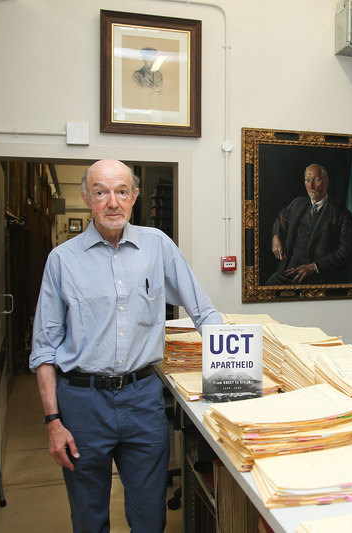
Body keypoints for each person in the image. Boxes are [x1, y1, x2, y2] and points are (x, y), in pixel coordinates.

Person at [29, 159, 221, 531]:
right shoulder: (62, 261)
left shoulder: (157, 247)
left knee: (150, 518)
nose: (112, 202)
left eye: (121, 192)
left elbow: (204, 313)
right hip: (81, 404)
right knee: (89, 518)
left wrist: (238, 382)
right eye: (101, 192)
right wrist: (53, 421)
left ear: (133, 196)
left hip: (142, 399)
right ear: (87, 197)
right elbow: (44, 349)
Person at [266, 163, 352, 284]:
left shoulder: (342, 214)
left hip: (319, 276)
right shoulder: (297, 204)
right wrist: (276, 235)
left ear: (326, 182)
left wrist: (314, 267)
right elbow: (280, 217)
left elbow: (345, 253)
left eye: (316, 180)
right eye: (307, 180)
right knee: (271, 285)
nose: (311, 185)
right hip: (289, 272)